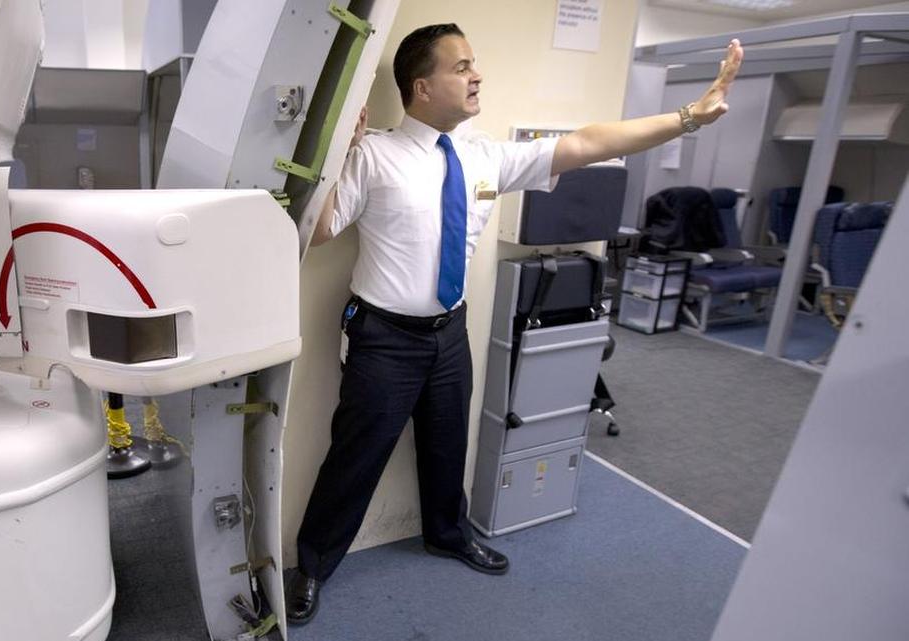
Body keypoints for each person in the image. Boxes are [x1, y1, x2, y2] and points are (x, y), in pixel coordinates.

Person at [287, 22, 743, 625]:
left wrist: (688, 118)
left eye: (474, 64)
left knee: (448, 445)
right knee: (356, 456)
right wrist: (336, 155)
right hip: (383, 339)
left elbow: (588, 143)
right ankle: (313, 565)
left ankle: (446, 534)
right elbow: (318, 232)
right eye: (461, 67)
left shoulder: (486, 156)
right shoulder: (373, 155)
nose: (476, 76)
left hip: (449, 333)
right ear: (422, 87)